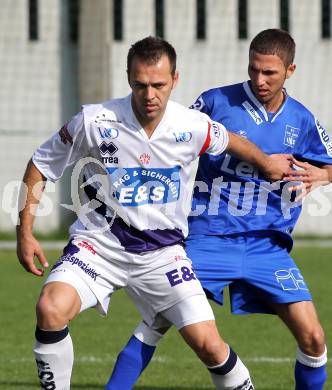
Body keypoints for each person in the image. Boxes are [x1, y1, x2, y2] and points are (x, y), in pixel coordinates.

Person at [16, 36, 290, 390]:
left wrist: (267, 163)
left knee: (210, 346)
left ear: (175, 79)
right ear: (128, 78)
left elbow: (232, 141)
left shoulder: (192, 125)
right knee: (50, 309)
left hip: (164, 254)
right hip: (100, 245)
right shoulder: (95, 120)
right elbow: (40, 163)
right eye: (141, 84)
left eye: (159, 85)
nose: (150, 95)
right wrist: (25, 232)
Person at [106, 29, 332, 390]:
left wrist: (322, 174)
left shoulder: (301, 121)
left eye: (269, 73)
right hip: (207, 237)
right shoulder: (215, 102)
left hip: (266, 246)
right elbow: (171, 135)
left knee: (314, 339)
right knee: (156, 321)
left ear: (291, 70)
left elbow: (329, 164)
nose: (259, 79)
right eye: (254, 69)